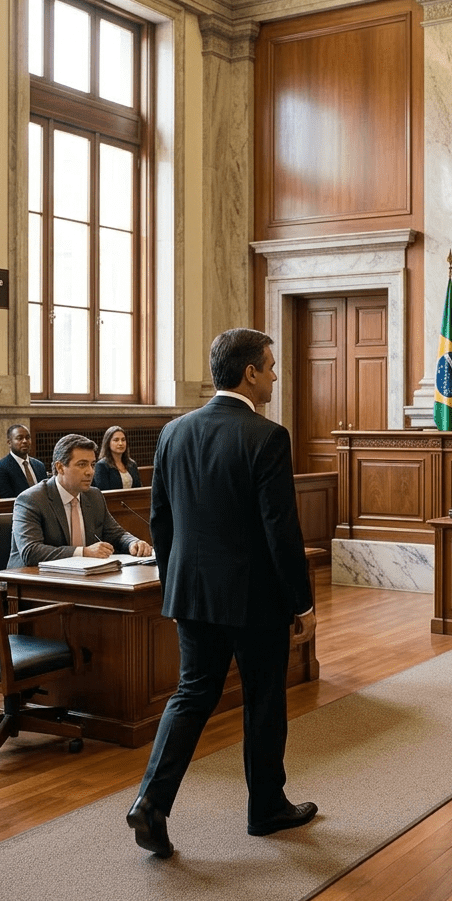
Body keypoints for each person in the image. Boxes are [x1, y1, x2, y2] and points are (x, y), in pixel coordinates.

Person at [126, 328, 316, 858]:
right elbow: (281, 530)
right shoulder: (267, 436)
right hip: (255, 599)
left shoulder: (173, 433)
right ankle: (266, 809)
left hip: (192, 592)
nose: (275, 375)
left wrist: (176, 577)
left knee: (192, 695)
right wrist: (302, 604)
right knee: (262, 699)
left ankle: (151, 801)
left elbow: (160, 520)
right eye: (271, 366)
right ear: (250, 373)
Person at [7, 433, 153, 568]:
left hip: (80, 580)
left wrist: (133, 543)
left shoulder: (94, 496)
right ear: (60, 467)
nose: (90, 471)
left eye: (92, 464)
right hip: (31, 582)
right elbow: (31, 551)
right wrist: (83, 552)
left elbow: (115, 534)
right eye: (82, 464)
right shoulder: (31, 500)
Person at [0, 425, 47, 498]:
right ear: (9, 443)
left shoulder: (39, 465)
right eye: (19, 438)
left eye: (27, 438)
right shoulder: (0, 468)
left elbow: (46, 493)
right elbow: (6, 498)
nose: (25, 441)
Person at [92, 426, 142, 490]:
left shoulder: (132, 464)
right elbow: (103, 493)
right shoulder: (101, 466)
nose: (120, 443)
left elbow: (139, 488)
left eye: (123, 440)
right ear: (108, 443)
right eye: (116, 440)